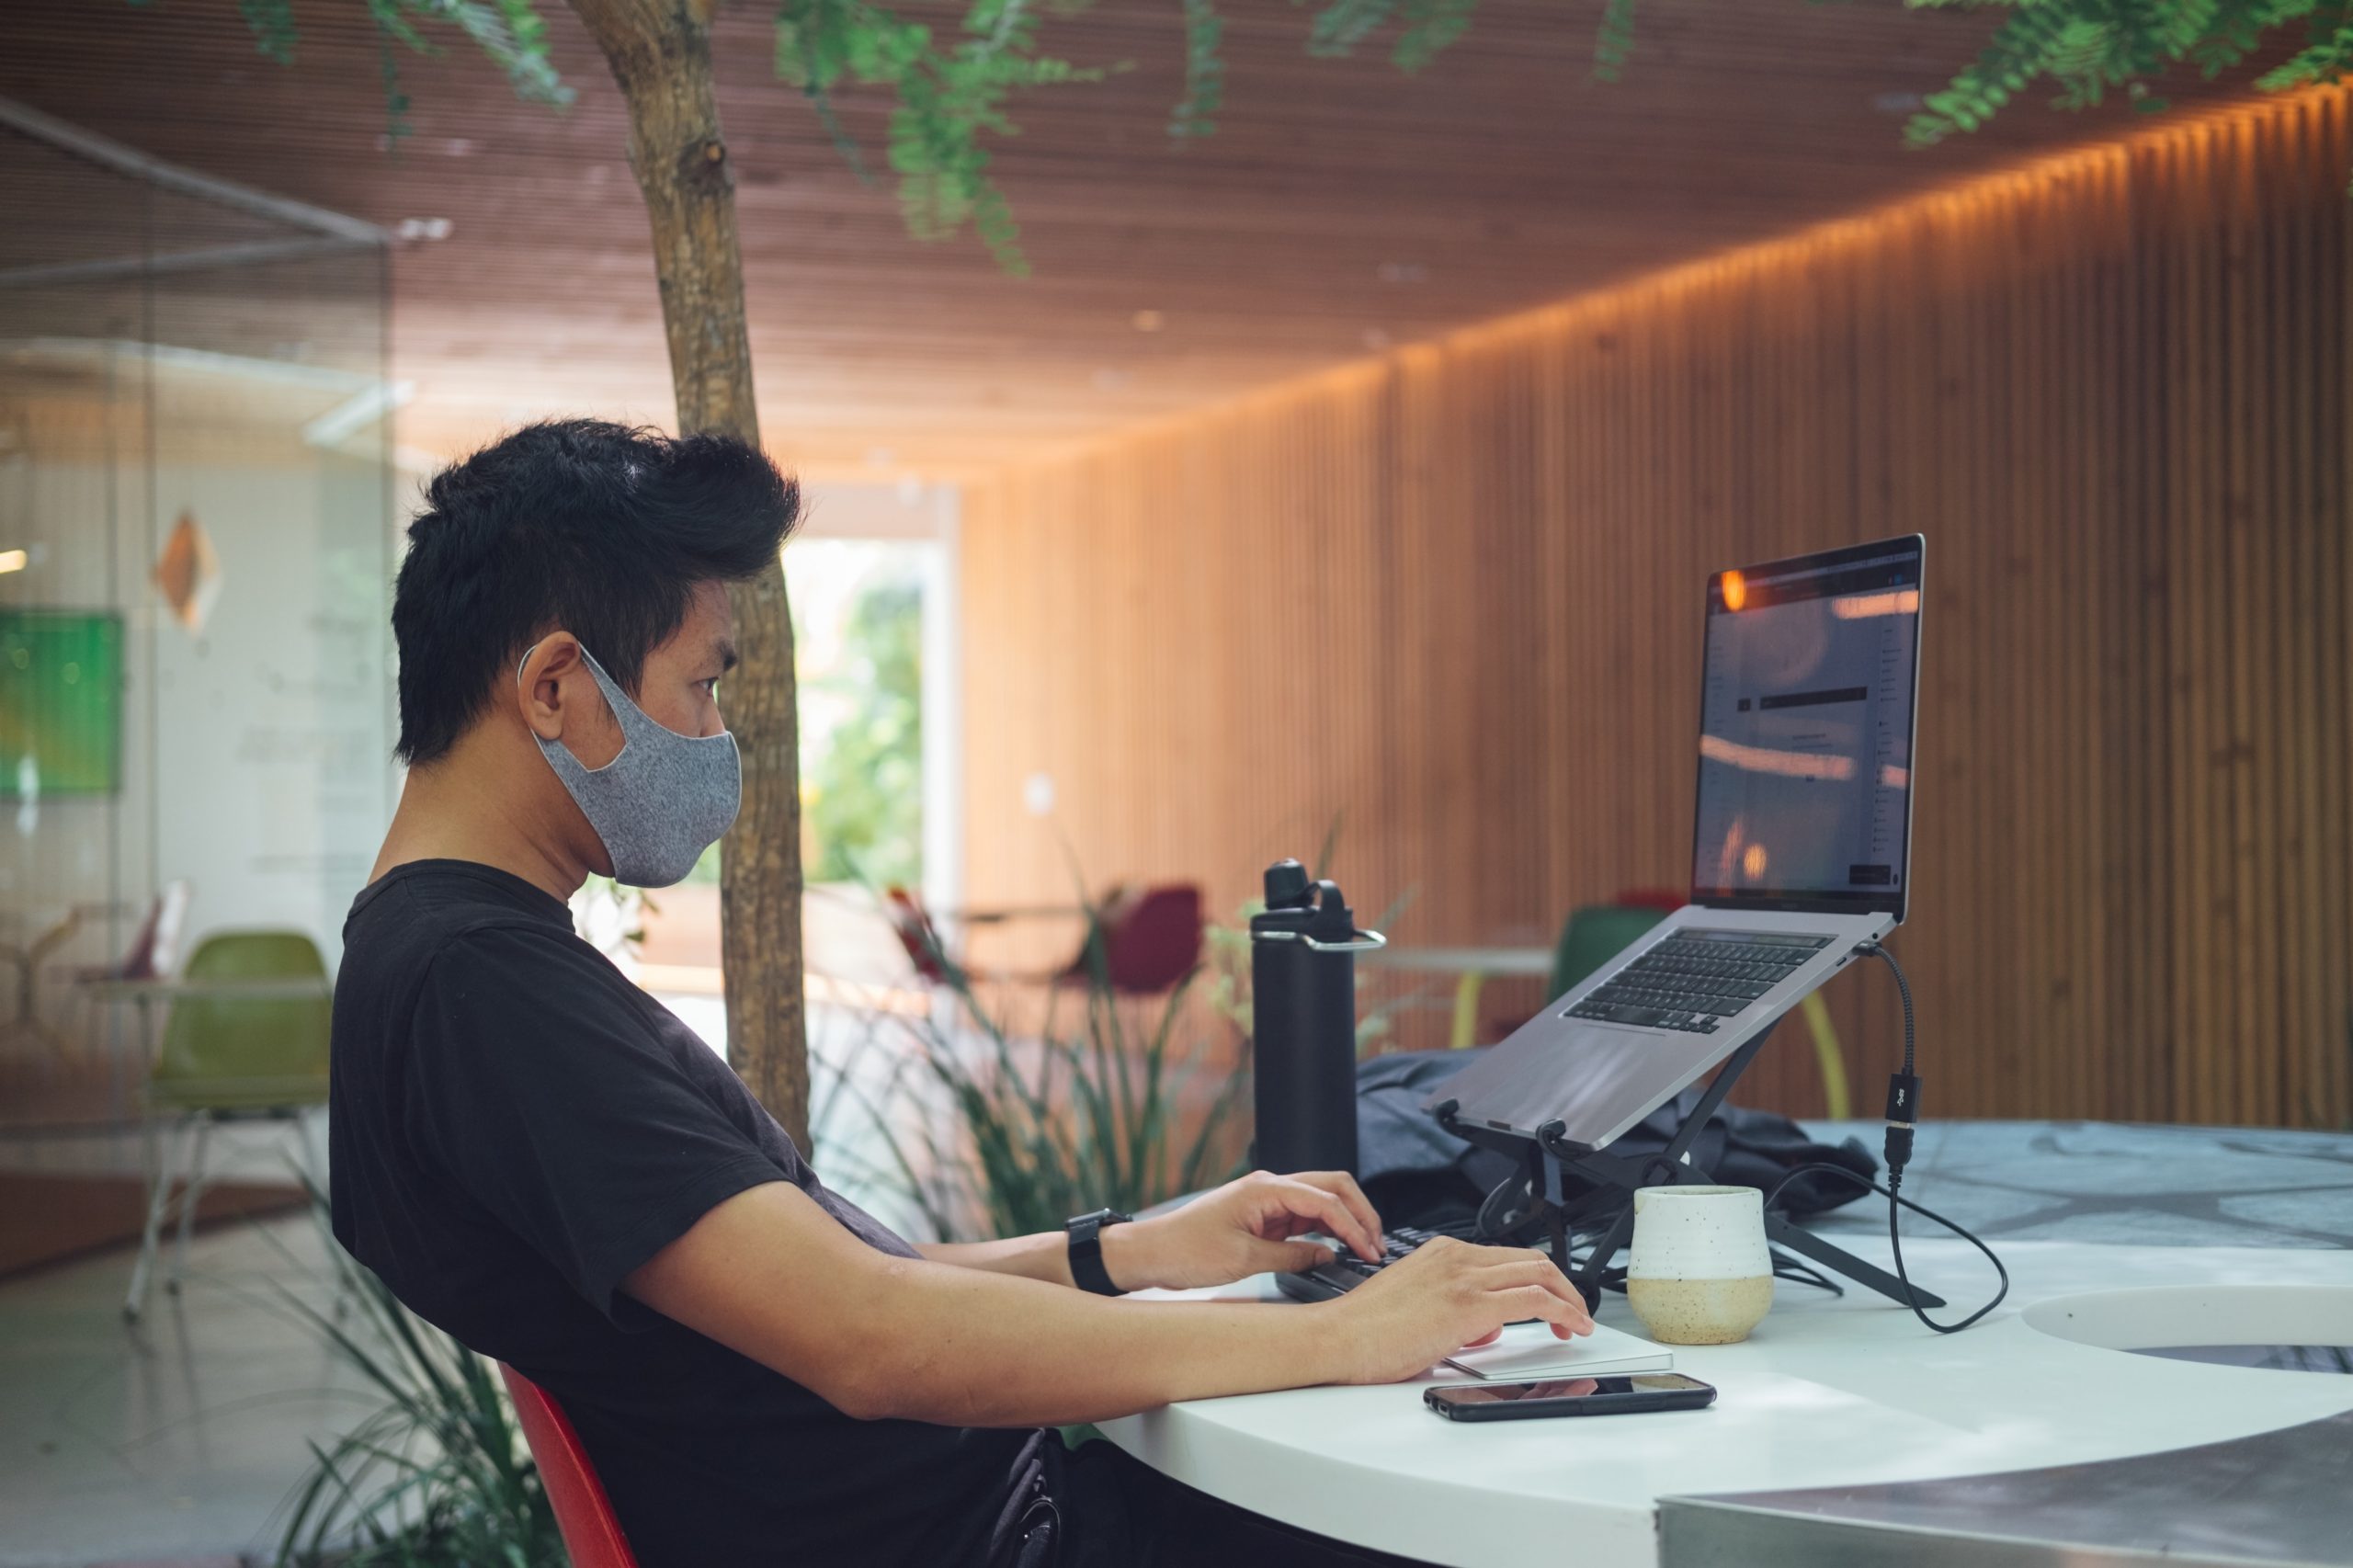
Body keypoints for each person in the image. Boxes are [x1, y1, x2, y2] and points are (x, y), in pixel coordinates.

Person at [330, 419, 1592, 1568]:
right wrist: (1346, 1335)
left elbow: (836, 1278)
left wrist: (1131, 1250)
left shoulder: (458, 959)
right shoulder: (477, 988)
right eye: (702, 682)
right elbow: (870, 1339)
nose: (716, 733)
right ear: (553, 687)